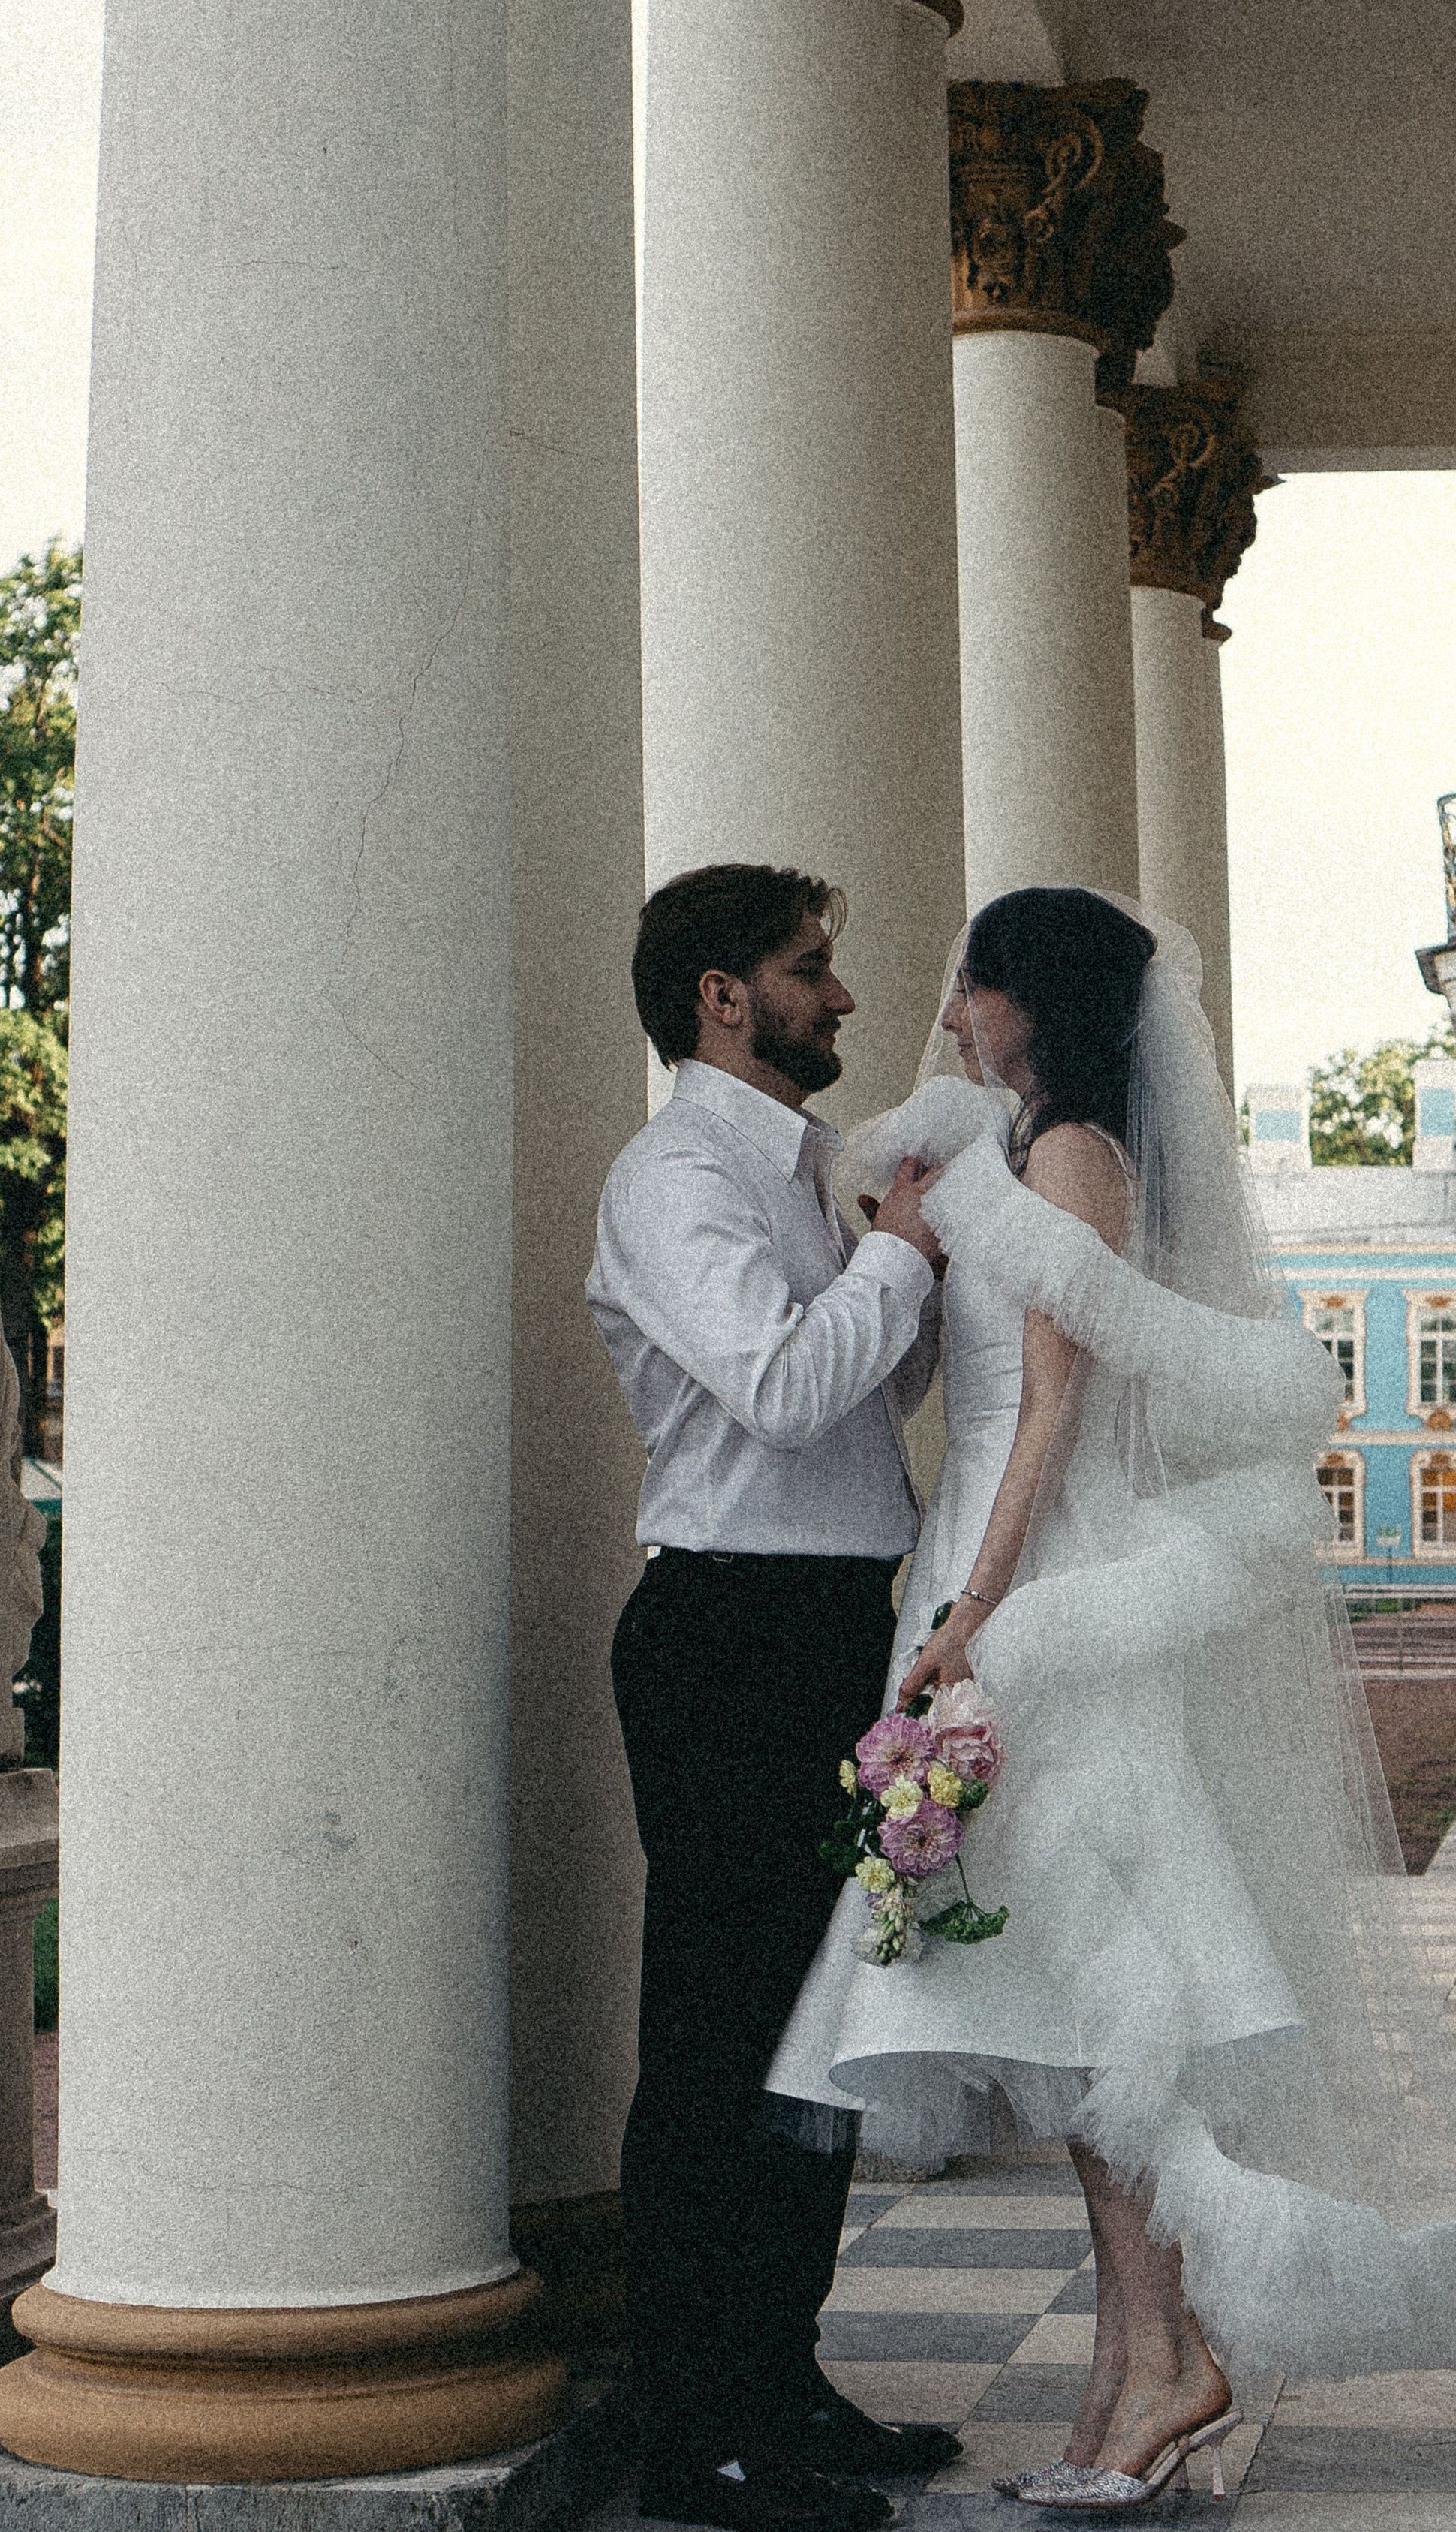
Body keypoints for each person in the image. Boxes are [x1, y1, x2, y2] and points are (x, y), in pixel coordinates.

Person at [769, 886, 1456, 2512]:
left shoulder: (1067, 1161)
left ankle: (1165, 2361)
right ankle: (1136, 2368)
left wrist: (981, 1614)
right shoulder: (1017, 1150)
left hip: (1047, 1577)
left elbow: (1057, 1405)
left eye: (968, 986)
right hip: (988, 1558)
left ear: (1031, 1004)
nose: (944, 1017)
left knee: (1104, 1997)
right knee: (1078, 2012)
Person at [588, 863, 964, 2532]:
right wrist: (892, 1258)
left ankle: (779, 2371)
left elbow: (881, 1378)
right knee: (719, 2035)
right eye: (813, 970)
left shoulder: (813, 1172)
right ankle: (693, 2426)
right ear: (722, 996)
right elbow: (784, 1388)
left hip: (832, 1634)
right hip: (726, 1636)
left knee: (813, 2039)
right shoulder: (674, 1179)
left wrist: (905, 1263)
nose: (844, 997)